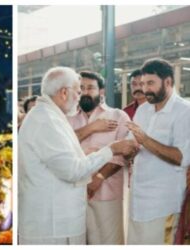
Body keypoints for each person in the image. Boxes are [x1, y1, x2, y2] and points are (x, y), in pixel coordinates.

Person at [18, 66, 138, 245]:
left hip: (73, 212)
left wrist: (98, 169)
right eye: (79, 90)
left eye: (87, 89)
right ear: (64, 92)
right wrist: (110, 149)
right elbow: (73, 170)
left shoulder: (52, 116)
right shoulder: (47, 120)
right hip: (53, 223)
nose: (80, 95)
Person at [126, 58, 190, 244]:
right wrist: (127, 149)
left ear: (168, 82)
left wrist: (145, 140)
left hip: (164, 204)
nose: (145, 89)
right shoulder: (143, 110)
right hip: (137, 202)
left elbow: (181, 157)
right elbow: (135, 145)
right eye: (143, 83)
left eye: (151, 83)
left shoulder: (184, 112)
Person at [68, 71, 130, 244]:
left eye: (90, 88)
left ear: (101, 91)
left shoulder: (118, 116)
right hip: (73, 193)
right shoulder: (67, 118)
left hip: (107, 192)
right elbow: (62, 145)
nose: (85, 92)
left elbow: (124, 153)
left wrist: (99, 177)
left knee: (108, 242)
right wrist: (92, 127)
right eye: (81, 88)